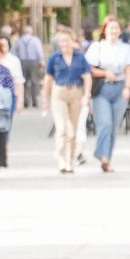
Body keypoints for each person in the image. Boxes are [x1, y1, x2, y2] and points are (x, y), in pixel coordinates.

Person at [88, 17, 130, 173]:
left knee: (114, 126)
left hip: (119, 86)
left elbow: (129, 69)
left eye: (116, 28)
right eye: (111, 28)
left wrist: (127, 88)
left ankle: (107, 159)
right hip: (102, 87)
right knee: (105, 123)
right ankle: (101, 153)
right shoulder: (97, 47)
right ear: (105, 30)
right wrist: (104, 73)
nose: (114, 31)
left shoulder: (125, 48)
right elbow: (88, 69)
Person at [42, 28, 91, 174]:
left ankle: (70, 160)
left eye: (67, 40)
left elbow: (87, 75)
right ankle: (61, 158)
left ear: (73, 41)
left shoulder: (80, 57)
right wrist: (45, 98)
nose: (64, 43)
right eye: (62, 41)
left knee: (72, 129)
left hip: (76, 91)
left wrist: (86, 95)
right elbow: (48, 78)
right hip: (59, 92)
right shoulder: (54, 58)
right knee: (61, 128)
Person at [0, 36, 23, 172]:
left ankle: (1, 162)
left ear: (1, 53)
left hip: (0, 106)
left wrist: (18, 101)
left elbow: (12, 89)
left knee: (0, 134)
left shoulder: (5, 70)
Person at [14, 23, 45, 108]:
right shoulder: (35, 40)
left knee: (24, 82)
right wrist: (42, 61)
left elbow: (15, 52)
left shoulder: (19, 40)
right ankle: (35, 101)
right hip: (34, 62)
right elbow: (39, 51)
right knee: (34, 81)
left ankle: (26, 101)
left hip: (22, 62)